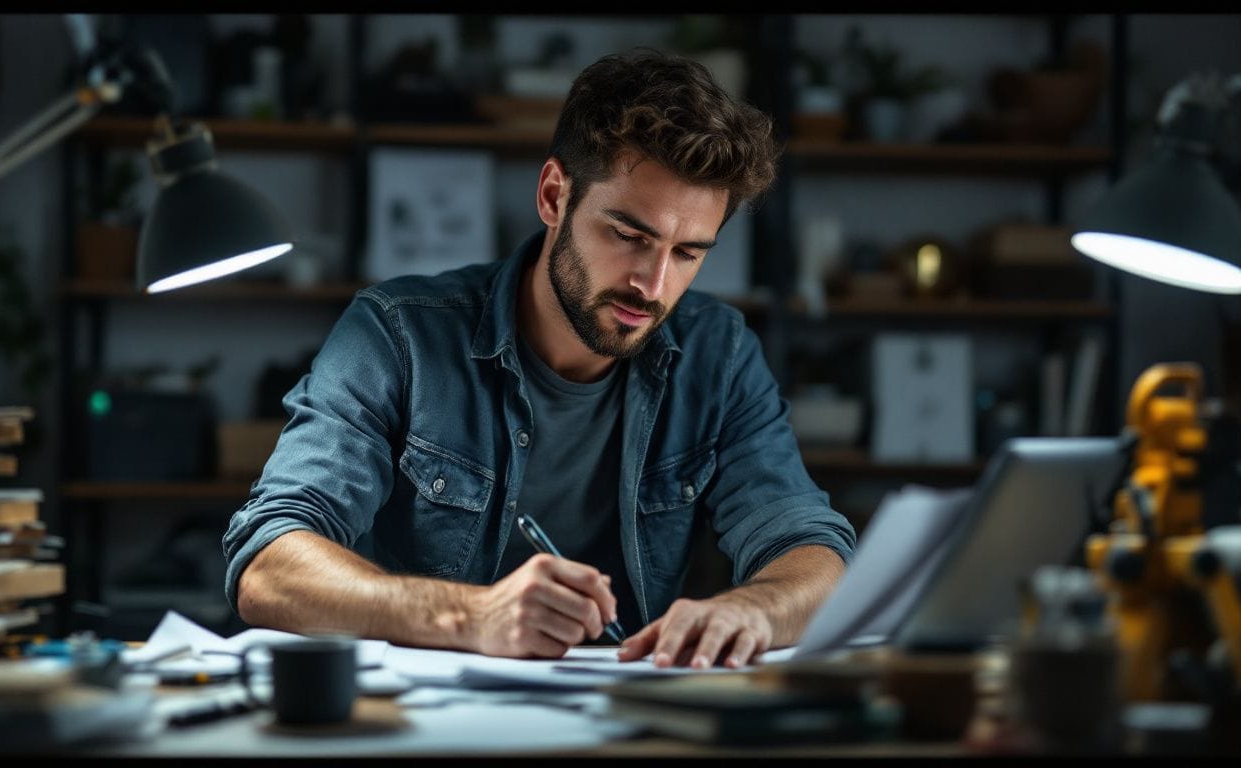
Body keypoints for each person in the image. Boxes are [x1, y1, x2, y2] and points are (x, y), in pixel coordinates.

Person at [224, 48, 856, 669]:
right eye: (629, 236)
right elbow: (268, 565)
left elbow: (811, 547)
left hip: (627, 716)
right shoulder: (396, 336)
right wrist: (469, 617)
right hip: (424, 723)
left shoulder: (719, 355)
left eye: (688, 253)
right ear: (554, 196)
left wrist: (753, 611)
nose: (653, 284)